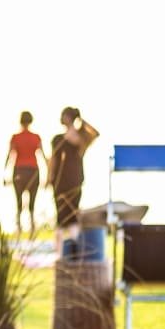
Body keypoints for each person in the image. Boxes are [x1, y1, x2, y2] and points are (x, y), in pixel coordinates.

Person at [48, 106, 100, 248]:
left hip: (75, 180)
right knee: (60, 213)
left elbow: (95, 133)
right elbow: (53, 159)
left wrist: (81, 120)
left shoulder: (81, 138)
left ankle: (75, 246)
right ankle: (58, 249)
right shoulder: (57, 139)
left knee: (73, 213)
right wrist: (49, 177)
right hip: (59, 181)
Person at [4, 111, 48, 235]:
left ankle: (19, 228)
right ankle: (32, 229)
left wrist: (5, 172)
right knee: (32, 202)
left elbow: (10, 155)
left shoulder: (15, 137)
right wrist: (48, 174)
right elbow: (43, 156)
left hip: (19, 170)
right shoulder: (36, 137)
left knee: (18, 200)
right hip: (33, 171)